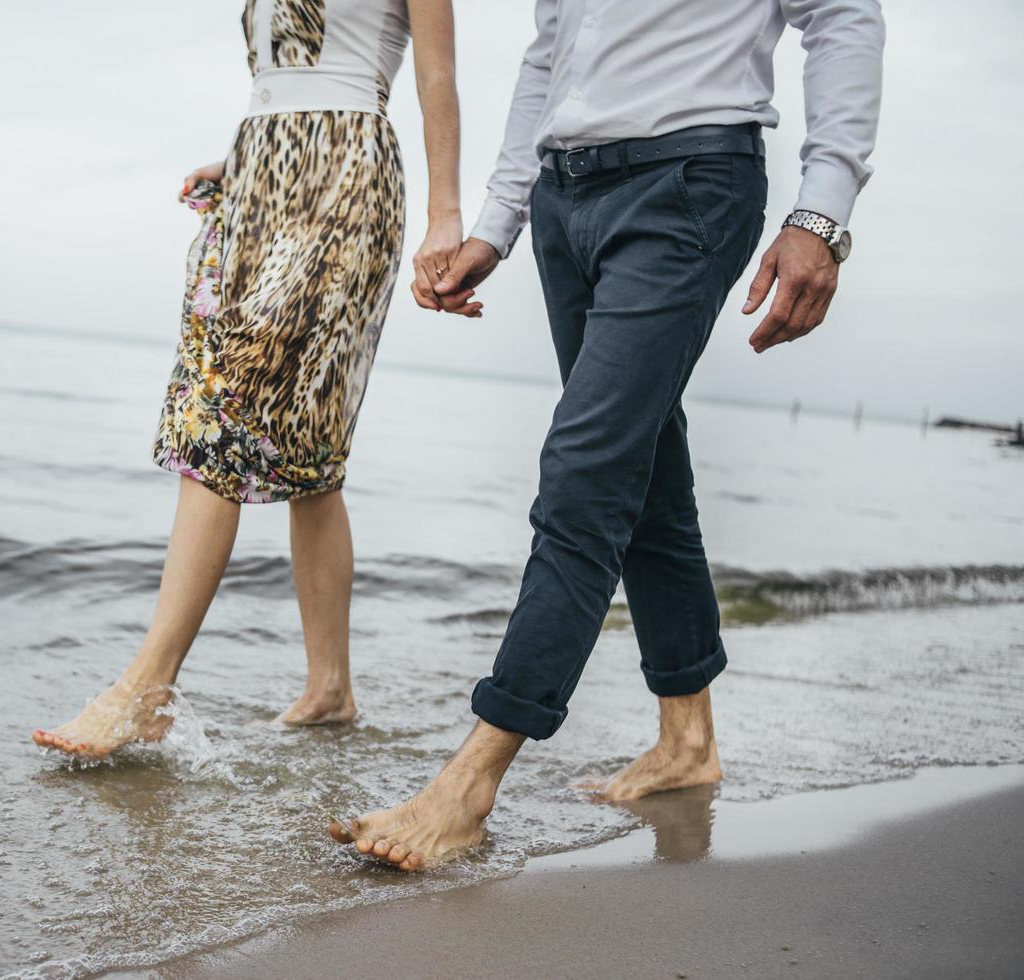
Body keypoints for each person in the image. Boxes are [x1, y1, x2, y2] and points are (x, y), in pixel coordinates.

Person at [331, 0, 884, 869]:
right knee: (646, 471)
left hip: (690, 180)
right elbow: (547, 55)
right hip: (564, 199)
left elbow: (843, 15)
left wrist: (821, 212)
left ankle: (472, 783)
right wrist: (498, 224)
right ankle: (687, 739)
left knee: (585, 471)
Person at [33, 0, 464, 757]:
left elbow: (435, 74)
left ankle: (146, 690)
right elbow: (284, 73)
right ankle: (330, 688)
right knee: (307, 452)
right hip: (262, 179)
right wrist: (241, 161)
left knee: (217, 416)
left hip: (343, 178)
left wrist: (445, 215)